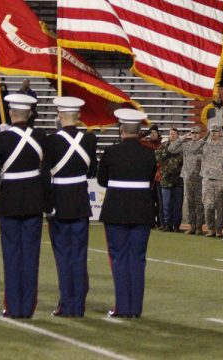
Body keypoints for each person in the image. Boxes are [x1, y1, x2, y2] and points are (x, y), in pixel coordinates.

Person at [0, 93, 47, 318]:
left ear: (11, 113)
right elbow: (46, 173)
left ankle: (12, 306)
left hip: (9, 201)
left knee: (11, 257)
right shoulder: (40, 136)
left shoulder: (1, 139)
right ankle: (27, 307)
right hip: (33, 201)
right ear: (30, 114)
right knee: (31, 257)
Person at [97, 107, 155, 319]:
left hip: (116, 210)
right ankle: (135, 308)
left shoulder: (111, 153)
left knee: (120, 259)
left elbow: (102, 180)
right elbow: (149, 180)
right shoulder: (149, 154)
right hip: (142, 211)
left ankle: (122, 307)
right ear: (139, 130)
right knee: (138, 260)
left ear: (121, 129)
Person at [42, 96, 97, 318]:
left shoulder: (51, 141)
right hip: (81, 202)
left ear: (59, 116)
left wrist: (48, 205)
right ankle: (79, 305)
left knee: (63, 257)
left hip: (59, 203)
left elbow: (44, 174)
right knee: (79, 256)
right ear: (79, 116)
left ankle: (66, 304)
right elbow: (92, 171)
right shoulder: (90, 139)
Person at [168, 124, 206, 235]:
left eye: (196, 133)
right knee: (189, 203)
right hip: (188, 177)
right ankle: (192, 226)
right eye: (192, 133)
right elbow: (171, 149)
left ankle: (199, 227)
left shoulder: (204, 145)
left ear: (200, 134)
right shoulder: (186, 145)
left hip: (200, 177)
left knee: (199, 203)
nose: (194, 135)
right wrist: (182, 138)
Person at [200, 126, 223, 238]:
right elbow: (193, 149)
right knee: (208, 205)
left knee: (221, 206)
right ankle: (211, 228)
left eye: (216, 131)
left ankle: (219, 229)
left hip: (221, 180)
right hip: (207, 180)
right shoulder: (204, 145)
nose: (213, 133)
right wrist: (204, 137)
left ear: (220, 133)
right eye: (212, 131)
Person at [156, 128, 184, 233]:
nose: (172, 136)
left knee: (177, 205)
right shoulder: (163, 146)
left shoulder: (182, 147)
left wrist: (170, 161)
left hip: (178, 180)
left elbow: (183, 160)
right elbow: (158, 158)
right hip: (166, 180)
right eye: (171, 134)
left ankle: (176, 225)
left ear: (177, 136)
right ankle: (167, 224)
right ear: (169, 135)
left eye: (174, 134)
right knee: (166, 204)